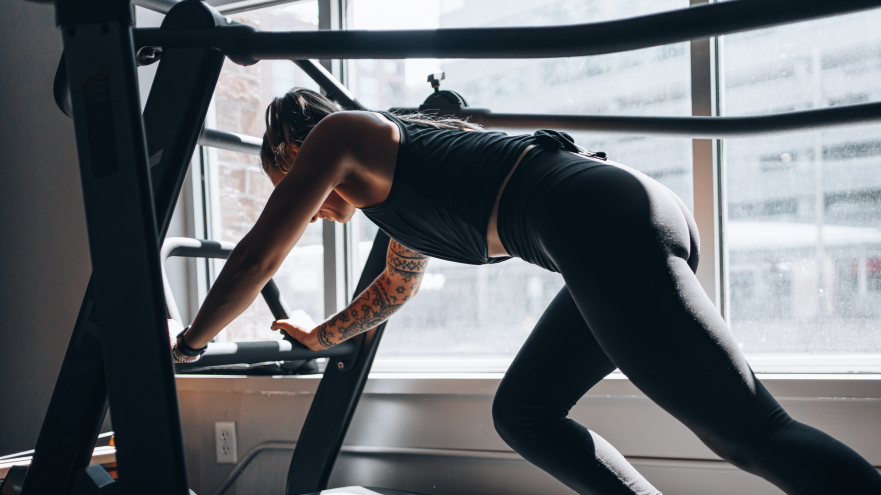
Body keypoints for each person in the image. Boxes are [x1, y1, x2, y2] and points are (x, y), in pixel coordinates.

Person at [170, 88, 881, 495]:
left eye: (284, 181)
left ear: (294, 156)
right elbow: (393, 288)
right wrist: (318, 335)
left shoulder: (341, 133)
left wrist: (192, 340)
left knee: (749, 433)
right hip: (603, 228)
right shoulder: (401, 195)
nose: (304, 200)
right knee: (524, 410)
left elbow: (261, 252)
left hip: (603, 223)